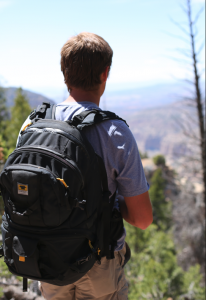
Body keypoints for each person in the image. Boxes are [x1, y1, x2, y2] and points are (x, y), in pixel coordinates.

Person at [20, 32, 153, 300]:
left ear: (64, 74)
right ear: (105, 73)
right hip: (98, 263)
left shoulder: (32, 125)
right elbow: (142, 219)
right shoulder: (115, 132)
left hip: (45, 260)